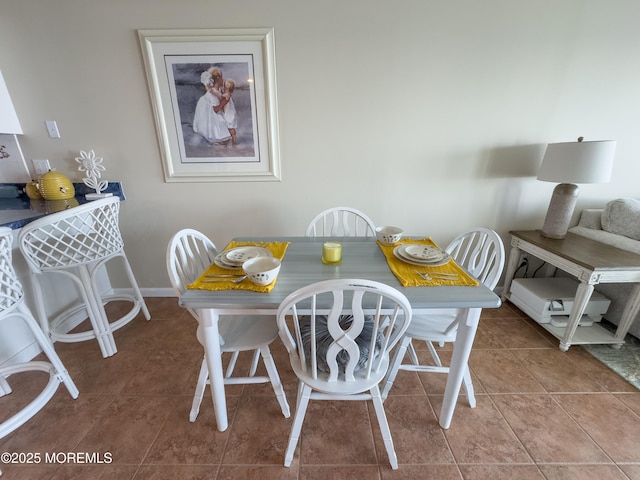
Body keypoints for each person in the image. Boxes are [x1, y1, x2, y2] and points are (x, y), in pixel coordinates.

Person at [192, 67, 230, 145]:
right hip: (212, 117)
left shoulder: (215, 91)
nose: (223, 79)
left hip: (214, 114)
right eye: (222, 77)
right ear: (218, 78)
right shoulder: (211, 94)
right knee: (221, 132)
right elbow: (215, 109)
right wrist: (225, 101)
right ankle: (215, 138)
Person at [222, 78, 238, 145]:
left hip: (228, 113)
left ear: (227, 88)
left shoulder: (226, 95)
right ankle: (233, 138)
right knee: (231, 127)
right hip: (231, 112)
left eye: (224, 87)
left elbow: (222, 98)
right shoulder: (229, 94)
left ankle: (233, 139)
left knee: (229, 127)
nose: (223, 88)